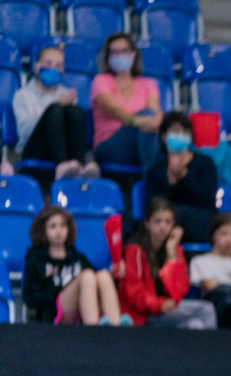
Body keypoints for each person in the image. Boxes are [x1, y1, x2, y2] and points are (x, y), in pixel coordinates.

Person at [119, 197, 216, 328]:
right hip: (144, 315)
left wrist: (171, 254)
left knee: (195, 325)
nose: (163, 226)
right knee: (206, 309)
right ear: (147, 223)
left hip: (167, 311)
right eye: (157, 221)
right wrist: (160, 305)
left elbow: (178, 292)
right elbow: (134, 295)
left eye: (168, 222)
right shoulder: (134, 251)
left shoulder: (175, 249)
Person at [22, 206, 125, 325]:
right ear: (43, 230)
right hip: (54, 313)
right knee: (86, 276)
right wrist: (59, 291)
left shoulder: (78, 257)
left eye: (63, 225)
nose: (59, 230)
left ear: (69, 229)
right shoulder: (35, 259)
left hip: (81, 311)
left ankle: (116, 326)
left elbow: (95, 284)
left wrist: (114, 274)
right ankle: (92, 330)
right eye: (53, 226)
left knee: (103, 276)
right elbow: (30, 298)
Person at [12, 45, 95, 179]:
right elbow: (24, 133)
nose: (54, 68)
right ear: (36, 67)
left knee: (76, 111)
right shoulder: (22, 95)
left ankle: (79, 166)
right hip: (35, 148)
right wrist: (54, 106)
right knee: (55, 110)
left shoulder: (66, 94)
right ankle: (61, 166)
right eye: (49, 63)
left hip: (65, 149)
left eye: (59, 65)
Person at [90, 32, 161, 169]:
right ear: (108, 57)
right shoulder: (101, 81)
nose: (120, 55)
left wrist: (149, 121)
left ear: (133, 54)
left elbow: (156, 114)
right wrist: (139, 121)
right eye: (114, 52)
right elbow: (115, 111)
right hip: (110, 145)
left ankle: (154, 179)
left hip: (141, 143)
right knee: (147, 118)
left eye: (124, 51)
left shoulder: (148, 84)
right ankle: (153, 184)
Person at [145, 112, 219, 241]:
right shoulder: (155, 169)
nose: (180, 135)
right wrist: (171, 180)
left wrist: (184, 177)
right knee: (163, 219)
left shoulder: (205, 163)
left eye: (185, 132)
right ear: (164, 136)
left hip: (200, 220)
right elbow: (155, 205)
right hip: (168, 222)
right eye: (175, 131)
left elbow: (208, 200)